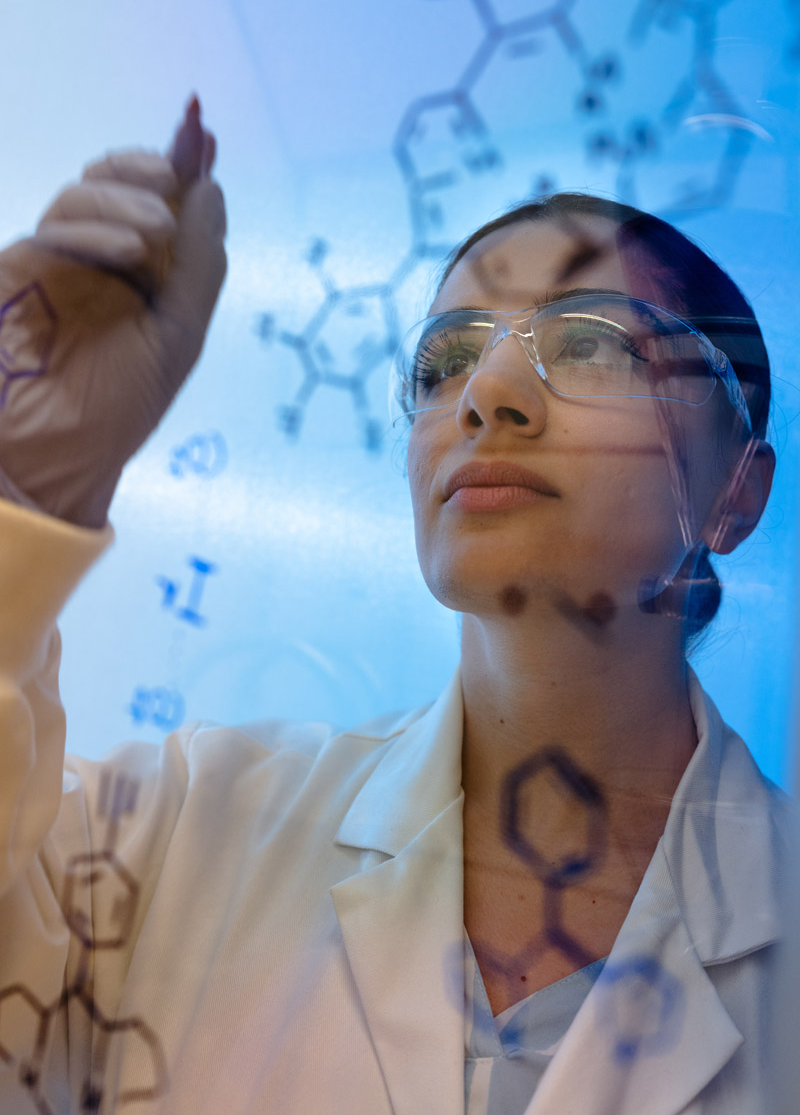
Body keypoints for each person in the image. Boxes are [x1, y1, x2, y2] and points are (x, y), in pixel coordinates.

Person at [0, 99, 787, 1115]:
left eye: (588, 344)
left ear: (736, 492)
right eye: (443, 361)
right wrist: (25, 490)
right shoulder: (174, 835)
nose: (487, 392)